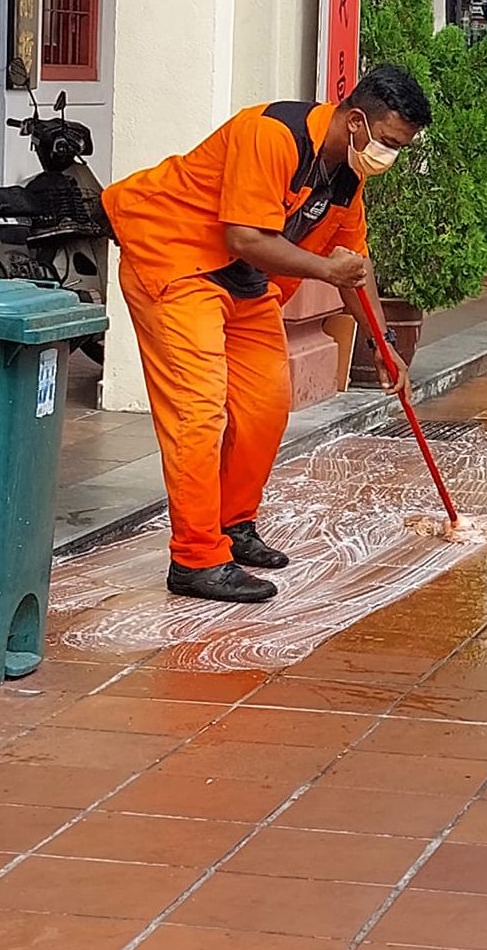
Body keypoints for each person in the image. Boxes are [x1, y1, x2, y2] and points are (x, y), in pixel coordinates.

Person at [102, 68, 432, 604]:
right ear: (355, 122)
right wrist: (326, 273)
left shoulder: (348, 175)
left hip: (243, 279)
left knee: (266, 404)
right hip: (176, 258)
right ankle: (195, 558)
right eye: (389, 143)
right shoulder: (273, 133)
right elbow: (246, 235)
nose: (389, 157)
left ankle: (233, 528)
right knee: (198, 408)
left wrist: (382, 342)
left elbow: (355, 263)